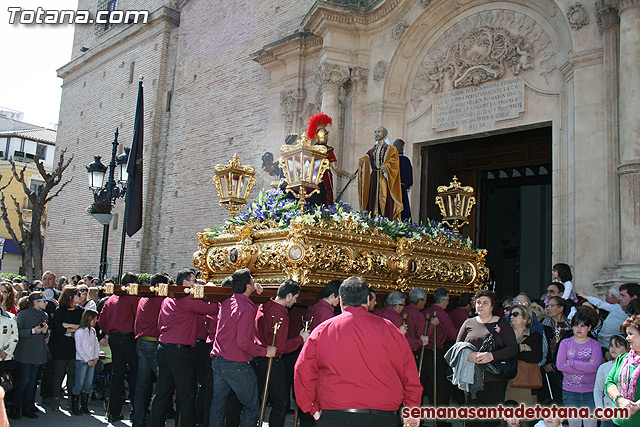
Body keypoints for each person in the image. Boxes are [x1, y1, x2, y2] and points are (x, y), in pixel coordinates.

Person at [294, 276, 423, 427]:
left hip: (336, 416)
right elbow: (410, 372)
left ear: (341, 301)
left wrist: (311, 407)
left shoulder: (323, 330)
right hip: (382, 417)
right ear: (368, 301)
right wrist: (412, 408)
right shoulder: (391, 330)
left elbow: (303, 370)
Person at [150, 269, 219, 426]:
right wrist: (209, 289)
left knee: (162, 392)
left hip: (164, 347)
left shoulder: (168, 299)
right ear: (186, 283)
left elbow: (160, 324)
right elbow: (213, 309)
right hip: (179, 352)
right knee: (187, 394)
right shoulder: (187, 299)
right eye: (194, 281)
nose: (196, 284)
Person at [210, 269, 277, 427]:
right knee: (252, 406)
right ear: (248, 286)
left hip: (219, 359)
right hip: (235, 363)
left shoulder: (228, 301)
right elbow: (244, 342)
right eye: (253, 280)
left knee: (218, 405)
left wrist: (256, 291)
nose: (254, 282)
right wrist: (264, 352)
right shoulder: (246, 308)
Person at [455, 289, 518, 427]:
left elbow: (513, 348)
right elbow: (457, 347)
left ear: (492, 306)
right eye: (478, 303)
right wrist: (468, 355)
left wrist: (492, 356)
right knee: (472, 420)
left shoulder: (502, 323)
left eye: (485, 303)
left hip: (494, 378)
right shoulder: (468, 323)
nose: (481, 306)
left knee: (493, 420)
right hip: (472, 378)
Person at [253, 280, 309, 427]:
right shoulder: (280, 315)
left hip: (258, 357)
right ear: (289, 295)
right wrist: (300, 339)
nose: (296, 301)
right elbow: (280, 347)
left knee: (256, 399)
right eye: (295, 298)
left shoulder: (265, 305)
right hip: (272, 360)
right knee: (280, 402)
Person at [98, 272, 139, 422]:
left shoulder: (111, 299)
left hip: (114, 337)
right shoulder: (133, 299)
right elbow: (137, 319)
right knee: (135, 374)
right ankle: (136, 411)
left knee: (117, 375)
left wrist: (108, 331)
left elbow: (101, 320)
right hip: (128, 337)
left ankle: (113, 412)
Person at [131, 273, 168, 427]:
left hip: (141, 342)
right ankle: (155, 418)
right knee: (162, 385)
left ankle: (138, 419)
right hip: (153, 343)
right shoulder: (161, 301)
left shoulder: (143, 300)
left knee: (141, 384)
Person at [556, 312, 602, 427]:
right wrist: (586, 365)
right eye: (576, 325)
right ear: (572, 327)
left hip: (590, 391)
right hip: (570, 391)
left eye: (583, 326)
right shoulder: (565, 343)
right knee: (574, 424)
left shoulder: (595, 345)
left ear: (589, 327)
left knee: (590, 424)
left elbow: (595, 367)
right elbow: (560, 366)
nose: (579, 329)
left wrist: (571, 362)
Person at [10, 292, 49, 420]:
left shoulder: (44, 315)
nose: (46, 303)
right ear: (36, 302)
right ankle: (15, 407)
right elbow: (17, 332)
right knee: (25, 381)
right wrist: (32, 331)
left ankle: (28, 406)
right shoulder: (23, 314)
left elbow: (45, 337)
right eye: (43, 300)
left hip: (38, 352)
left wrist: (44, 332)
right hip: (25, 353)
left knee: (32, 382)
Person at [305, 113, 355, 205]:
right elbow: (335, 168)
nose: (327, 137)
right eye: (326, 134)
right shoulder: (328, 150)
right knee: (326, 201)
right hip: (324, 177)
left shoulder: (310, 150)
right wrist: (349, 175)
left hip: (312, 178)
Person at [423, 288, 457, 417]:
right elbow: (452, 333)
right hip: (435, 352)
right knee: (441, 387)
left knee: (430, 386)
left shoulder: (426, 311)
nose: (448, 303)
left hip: (424, 352)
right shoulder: (440, 313)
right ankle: (442, 419)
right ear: (442, 301)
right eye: (447, 301)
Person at [357, 126, 403, 220]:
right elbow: (367, 157)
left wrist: (387, 167)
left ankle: (385, 222)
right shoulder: (372, 150)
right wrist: (362, 161)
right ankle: (372, 221)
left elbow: (394, 163)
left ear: (385, 134)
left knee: (386, 201)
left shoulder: (392, 149)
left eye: (379, 131)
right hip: (374, 178)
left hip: (385, 179)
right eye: (375, 131)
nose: (377, 133)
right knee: (372, 199)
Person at [51, 285, 84, 411]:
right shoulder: (60, 310)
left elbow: (82, 327)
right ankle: (55, 399)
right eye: (77, 294)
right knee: (59, 373)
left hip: (74, 346)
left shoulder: (80, 311)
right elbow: (59, 329)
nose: (80, 297)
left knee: (72, 374)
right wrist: (73, 327)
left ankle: (72, 400)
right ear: (70, 297)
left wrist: (69, 326)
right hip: (60, 345)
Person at [578, 285, 638, 354]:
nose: (619, 299)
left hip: (612, 350)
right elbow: (601, 304)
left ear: (634, 298)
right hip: (599, 344)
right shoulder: (617, 307)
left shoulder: (634, 316)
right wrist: (586, 297)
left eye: (623, 296)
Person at [505, 305, 543, 408]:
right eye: (511, 314)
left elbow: (535, 357)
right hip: (505, 381)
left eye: (515, 314)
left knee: (526, 416)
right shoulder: (504, 335)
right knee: (507, 416)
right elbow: (500, 352)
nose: (512, 317)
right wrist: (521, 348)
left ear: (526, 319)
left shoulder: (535, 336)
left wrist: (511, 352)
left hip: (526, 381)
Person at [605, 314, 640, 426]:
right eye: (627, 334)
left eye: (631, 334)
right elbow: (609, 382)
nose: (627, 338)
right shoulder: (622, 358)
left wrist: (636, 406)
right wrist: (620, 400)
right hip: (619, 421)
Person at [594, 335, 629, 427]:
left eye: (617, 346)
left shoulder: (631, 367)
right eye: (611, 346)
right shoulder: (604, 367)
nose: (613, 349)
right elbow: (598, 390)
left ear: (627, 348)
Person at [540, 296, 570, 403]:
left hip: (568, 369)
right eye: (547, 306)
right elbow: (541, 346)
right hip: (549, 369)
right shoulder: (543, 325)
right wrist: (545, 363)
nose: (548, 308)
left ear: (561, 308)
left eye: (551, 306)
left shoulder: (571, 325)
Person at [72, 309, 100, 415]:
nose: (96, 321)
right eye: (95, 318)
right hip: (82, 360)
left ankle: (84, 406)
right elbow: (79, 348)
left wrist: (96, 357)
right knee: (79, 383)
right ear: (89, 318)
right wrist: (87, 359)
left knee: (88, 384)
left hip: (91, 360)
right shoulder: (79, 332)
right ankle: (75, 406)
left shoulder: (92, 331)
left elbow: (95, 345)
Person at [392, 139, 413, 221]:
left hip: (392, 189)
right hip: (401, 189)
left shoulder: (391, 161)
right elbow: (410, 179)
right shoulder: (405, 160)